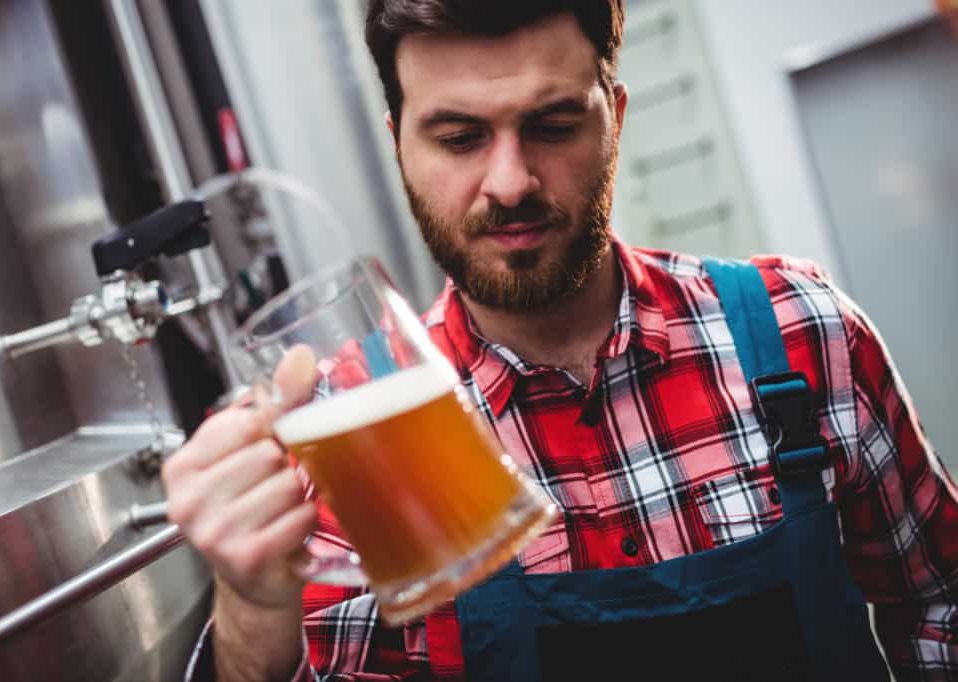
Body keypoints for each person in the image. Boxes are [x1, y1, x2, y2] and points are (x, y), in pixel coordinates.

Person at [163, 2, 958, 680]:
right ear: (397, 139)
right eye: (459, 136)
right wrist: (249, 626)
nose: (510, 182)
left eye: (551, 124)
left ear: (615, 114)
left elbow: (939, 603)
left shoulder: (800, 332)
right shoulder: (350, 449)